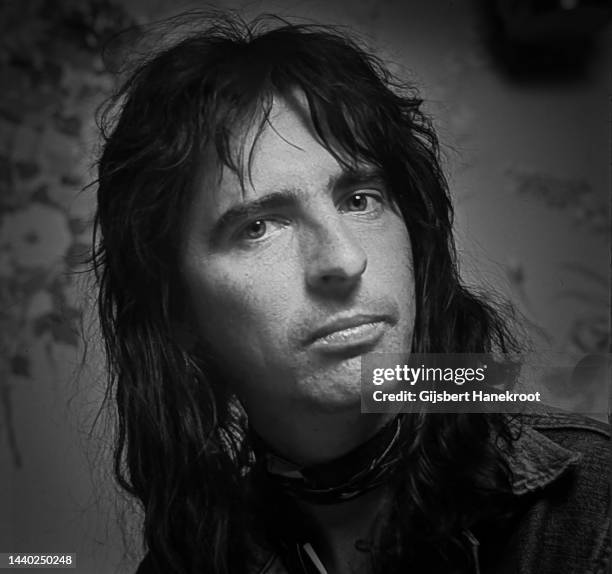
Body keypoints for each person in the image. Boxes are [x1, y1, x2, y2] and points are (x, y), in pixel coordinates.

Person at [91, 13, 610, 574]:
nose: (343, 260)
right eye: (259, 226)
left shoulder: (590, 500)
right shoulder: (186, 562)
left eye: (359, 199)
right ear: (178, 309)